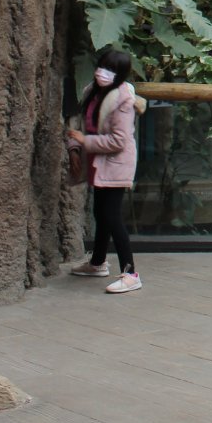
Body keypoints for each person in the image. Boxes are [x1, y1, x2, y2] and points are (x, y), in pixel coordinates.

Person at [66, 48, 146, 294]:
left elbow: (118, 141)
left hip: (116, 163)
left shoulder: (123, 99)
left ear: (120, 75)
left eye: (111, 70)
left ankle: (131, 273)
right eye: (102, 66)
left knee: (111, 216)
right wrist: (75, 148)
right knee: (100, 212)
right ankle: (98, 262)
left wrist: (84, 142)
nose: (103, 72)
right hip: (97, 162)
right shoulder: (92, 92)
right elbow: (79, 125)